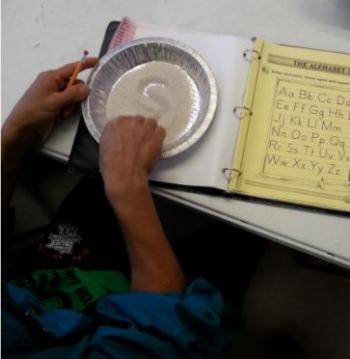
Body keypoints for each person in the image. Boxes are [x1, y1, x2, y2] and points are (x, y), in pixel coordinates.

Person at [2, 59, 232, 358]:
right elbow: (165, 334)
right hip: (144, 319)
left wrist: (14, 137)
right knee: (230, 234)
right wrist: (127, 187)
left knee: (92, 189)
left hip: (41, 283)